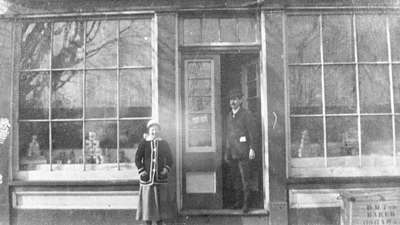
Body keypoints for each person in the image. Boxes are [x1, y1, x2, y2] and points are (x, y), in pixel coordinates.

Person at [224, 89, 258, 213]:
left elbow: (252, 133)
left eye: (235, 99)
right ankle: (238, 202)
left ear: (240, 100)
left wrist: (252, 149)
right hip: (233, 153)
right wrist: (227, 152)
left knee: (245, 180)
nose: (232, 102)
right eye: (231, 100)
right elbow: (228, 135)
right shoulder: (229, 116)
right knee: (236, 179)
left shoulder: (246, 114)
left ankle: (246, 204)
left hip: (244, 152)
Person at [135, 120, 173, 225]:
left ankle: (159, 223)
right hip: (147, 179)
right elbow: (137, 158)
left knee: (159, 204)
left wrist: (166, 169)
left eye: (156, 130)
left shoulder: (163, 143)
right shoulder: (144, 143)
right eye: (152, 130)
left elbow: (170, 159)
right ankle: (148, 223)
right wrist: (141, 170)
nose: (154, 132)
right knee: (148, 205)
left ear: (159, 131)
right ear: (149, 130)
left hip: (159, 179)